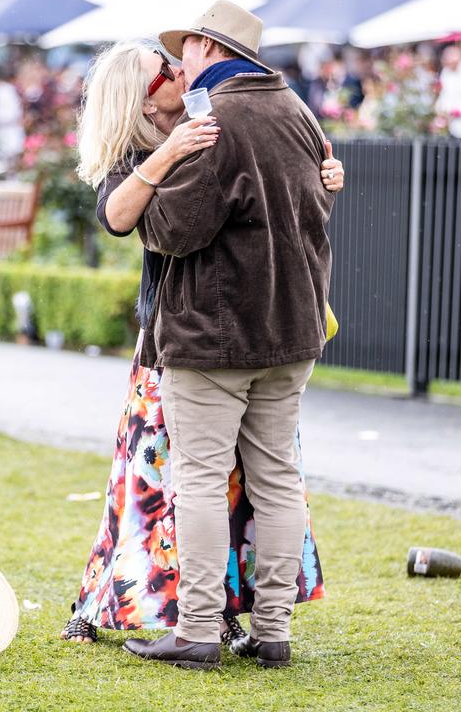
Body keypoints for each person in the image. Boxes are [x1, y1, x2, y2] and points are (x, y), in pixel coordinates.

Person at [62, 37, 343, 652]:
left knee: (229, 482)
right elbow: (121, 217)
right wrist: (165, 156)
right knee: (158, 484)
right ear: (138, 98)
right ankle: (130, 604)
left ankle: (223, 622)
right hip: (179, 337)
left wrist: (323, 177)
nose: (175, 71)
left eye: (170, 62)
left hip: (222, 334)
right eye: (161, 71)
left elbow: (260, 204)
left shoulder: (214, 118)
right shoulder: (143, 145)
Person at [435, 45, 461, 138]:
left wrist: (458, 111)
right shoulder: (445, 72)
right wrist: (441, 110)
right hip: (450, 123)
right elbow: (444, 94)